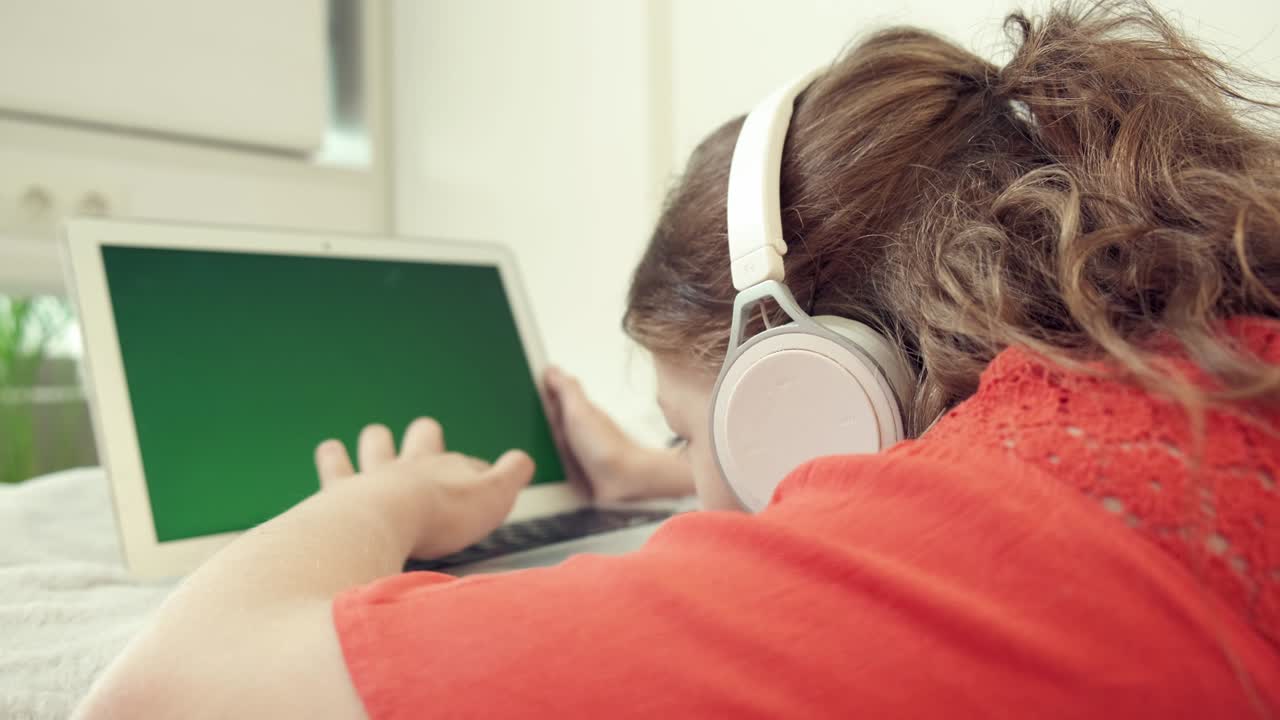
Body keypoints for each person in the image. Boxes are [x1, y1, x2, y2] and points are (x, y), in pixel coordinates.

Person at [77, 2, 1280, 718]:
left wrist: (377, 500)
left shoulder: (995, 543)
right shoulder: (1182, 382)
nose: (706, 500)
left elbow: (162, 695)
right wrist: (653, 473)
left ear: (812, 393)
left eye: (691, 434)